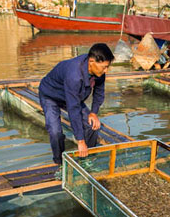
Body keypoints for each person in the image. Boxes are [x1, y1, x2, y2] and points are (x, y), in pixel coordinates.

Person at [38, 43, 114, 178]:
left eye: (107, 67)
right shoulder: (74, 75)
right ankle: (60, 164)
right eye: (104, 67)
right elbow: (73, 110)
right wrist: (80, 141)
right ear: (92, 62)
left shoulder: (98, 71)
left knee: (93, 125)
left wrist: (93, 112)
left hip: (71, 96)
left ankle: (86, 160)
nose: (106, 70)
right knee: (55, 132)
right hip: (50, 95)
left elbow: (99, 92)